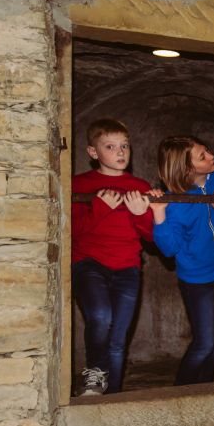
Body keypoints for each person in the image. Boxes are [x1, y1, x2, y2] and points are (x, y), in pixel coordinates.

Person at [148, 135, 214, 386]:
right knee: (204, 343)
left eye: (208, 150)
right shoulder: (175, 201)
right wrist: (159, 214)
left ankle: (204, 390)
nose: (212, 156)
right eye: (203, 156)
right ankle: (180, 395)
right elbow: (169, 249)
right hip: (196, 280)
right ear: (186, 169)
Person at [71, 118, 154, 396]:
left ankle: (113, 398)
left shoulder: (139, 185)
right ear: (93, 152)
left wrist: (142, 214)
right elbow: (70, 231)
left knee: (117, 341)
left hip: (128, 268)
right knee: (100, 315)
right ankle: (95, 373)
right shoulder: (80, 184)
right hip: (89, 263)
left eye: (125, 146)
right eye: (110, 146)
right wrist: (98, 207)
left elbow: (151, 236)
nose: (120, 153)